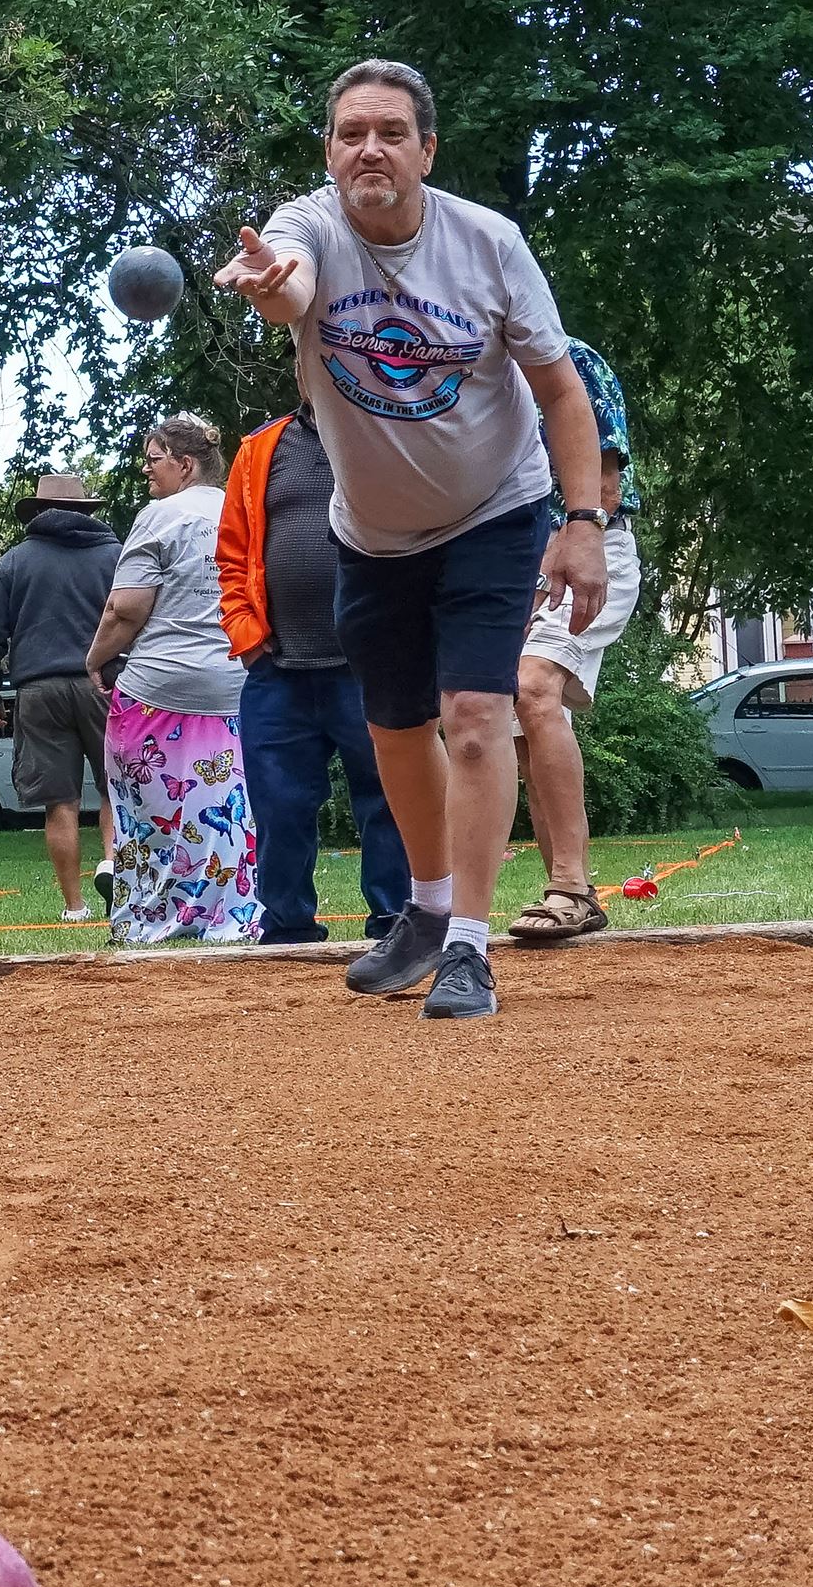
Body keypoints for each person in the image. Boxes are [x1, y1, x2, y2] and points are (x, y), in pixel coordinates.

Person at [216, 57, 609, 1020]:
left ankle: (470, 946)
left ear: (427, 149)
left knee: (475, 714)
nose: (370, 149)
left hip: (494, 509)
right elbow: (293, 275)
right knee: (394, 728)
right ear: (330, 151)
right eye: (351, 133)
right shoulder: (308, 224)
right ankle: (427, 912)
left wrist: (585, 521)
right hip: (375, 532)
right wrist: (275, 289)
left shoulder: (488, 244)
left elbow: (563, 391)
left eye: (391, 132)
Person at [217, 387, 410, 944]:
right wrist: (248, 639)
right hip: (278, 669)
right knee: (278, 807)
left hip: (370, 665)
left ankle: (397, 922)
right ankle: (286, 927)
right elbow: (231, 557)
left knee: (390, 798)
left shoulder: (391, 433)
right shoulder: (259, 449)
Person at [82, 414, 260, 944]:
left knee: (144, 807)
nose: (145, 469)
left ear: (184, 465)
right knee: (229, 806)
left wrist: (94, 659)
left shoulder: (161, 516)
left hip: (158, 689)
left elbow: (125, 610)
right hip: (236, 684)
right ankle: (227, 919)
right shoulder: (245, 510)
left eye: (153, 458)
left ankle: (148, 918)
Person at [506, 338, 642, 943]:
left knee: (535, 688)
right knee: (515, 727)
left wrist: (569, 538)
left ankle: (569, 885)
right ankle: (572, 896)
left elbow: (604, 481)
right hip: (503, 559)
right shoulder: (448, 366)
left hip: (582, 543)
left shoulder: (568, 359)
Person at [0, 473, 123, 920]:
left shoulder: (15, 562)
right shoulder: (116, 556)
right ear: (86, 513)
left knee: (60, 800)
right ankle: (112, 866)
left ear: (36, 513)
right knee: (117, 787)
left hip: (38, 690)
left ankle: (75, 907)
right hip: (106, 684)